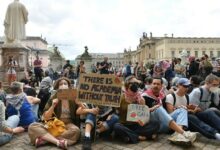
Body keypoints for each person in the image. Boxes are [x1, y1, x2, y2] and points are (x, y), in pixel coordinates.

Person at [28, 77, 81, 149]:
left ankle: (45, 139)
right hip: (54, 123)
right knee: (32, 126)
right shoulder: (53, 97)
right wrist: (53, 106)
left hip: (69, 124)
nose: (63, 85)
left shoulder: (73, 97)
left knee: (76, 131)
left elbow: (82, 111)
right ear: (57, 87)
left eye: (65, 83)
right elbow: (46, 117)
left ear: (69, 86)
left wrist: (79, 103)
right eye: (61, 84)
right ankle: (58, 142)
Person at [142, 77, 196, 145]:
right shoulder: (144, 96)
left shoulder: (163, 95)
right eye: (154, 83)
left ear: (161, 86)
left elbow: (168, 112)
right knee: (158, 108)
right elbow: (141, 114)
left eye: (158, 84)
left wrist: (178, 108)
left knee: (182, 109)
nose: (156, 85)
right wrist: (152, 108)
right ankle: (182, 133)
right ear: (150, 85)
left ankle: (178, 135)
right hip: (152, 125)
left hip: (164, 124)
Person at [113, 76, 159, 144]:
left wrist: (144, 121)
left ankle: (131, 136)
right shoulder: (121, 97)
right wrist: (111, 115)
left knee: (156, 123)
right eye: (133, 83)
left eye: (136, 83)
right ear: (127, 85)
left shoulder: (140, 98)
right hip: (124, 125)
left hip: (137, 125)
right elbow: (116, 111)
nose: (135, 85)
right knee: (116, 126)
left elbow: (143, 116)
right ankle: (141, 136)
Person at [188, 74, 220, 139]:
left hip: (204, 113)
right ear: (207, 83)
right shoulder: (197, 92)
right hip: (195, 115)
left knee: (215, 111)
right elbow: (191, 109)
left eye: (217, 85)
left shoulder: (213, 92)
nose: (216, 87)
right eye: (214, 85)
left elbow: (216, 103)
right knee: (210, 112)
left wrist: (216, 93)